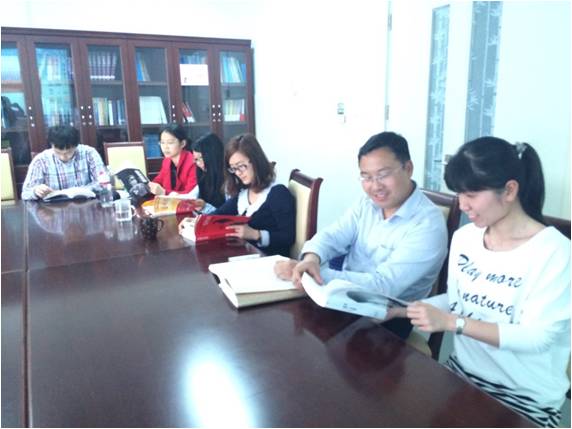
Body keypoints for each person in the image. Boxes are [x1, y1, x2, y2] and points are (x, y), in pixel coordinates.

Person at [392, 137, 570, 427]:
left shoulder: (555, 252)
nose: (462, 204)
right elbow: (458, 299)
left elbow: (537, 337)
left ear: (509, 190)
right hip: (461, 376)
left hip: (523, 398)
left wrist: (452, 323)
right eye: (459, 193)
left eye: (471, 194)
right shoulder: (466, 238)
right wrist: (400, 309)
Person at [275, 131, 448, 339]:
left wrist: (314, 275)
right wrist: (312, 259)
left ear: (408, 168)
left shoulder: (428, 225)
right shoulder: (367, 204)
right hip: (341, 303)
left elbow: (382, 287)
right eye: (366, 177)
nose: (375, 186)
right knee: (286, 331)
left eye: (383, 175)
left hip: (386, 320)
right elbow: (332, 235)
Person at [210, 133, 295, 257]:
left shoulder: (278, 193)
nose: (238, 173)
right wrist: (194, 222)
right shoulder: (244, 194)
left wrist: (256, 234)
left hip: (270, 260)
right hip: (247, 255)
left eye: (241, 166)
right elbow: (217, 215)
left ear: (256, 161)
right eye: (233, 168)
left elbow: (288, 237)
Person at [21, 125, 105, 200]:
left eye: (69, 152)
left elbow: (103, 182)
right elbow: (25, 193)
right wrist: (36, 191)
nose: (63, 157)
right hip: (53, 209)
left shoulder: (89, 153)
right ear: (51, 145)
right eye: (58, 152)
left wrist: (84, 190)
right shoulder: (41, 160)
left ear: (76, 145)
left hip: (85, 204)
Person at [149, 124, 197, 196]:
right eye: (162, 142)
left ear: (183, 143)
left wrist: (164, 192)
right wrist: (149, 185)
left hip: (187, 202)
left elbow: (190, 194)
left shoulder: (192, 163)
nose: (165, 147)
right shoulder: (167, 160)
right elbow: (159, 179)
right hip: (169, 201)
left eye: (170, 142)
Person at [186, 132, 226, 214]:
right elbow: (190, 196)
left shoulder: (228, 179)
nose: (198, 163)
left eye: (200, 158)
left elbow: (229, 214)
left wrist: (205, 207)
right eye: (196, 159)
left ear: (213, 156)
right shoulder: (203, 174)